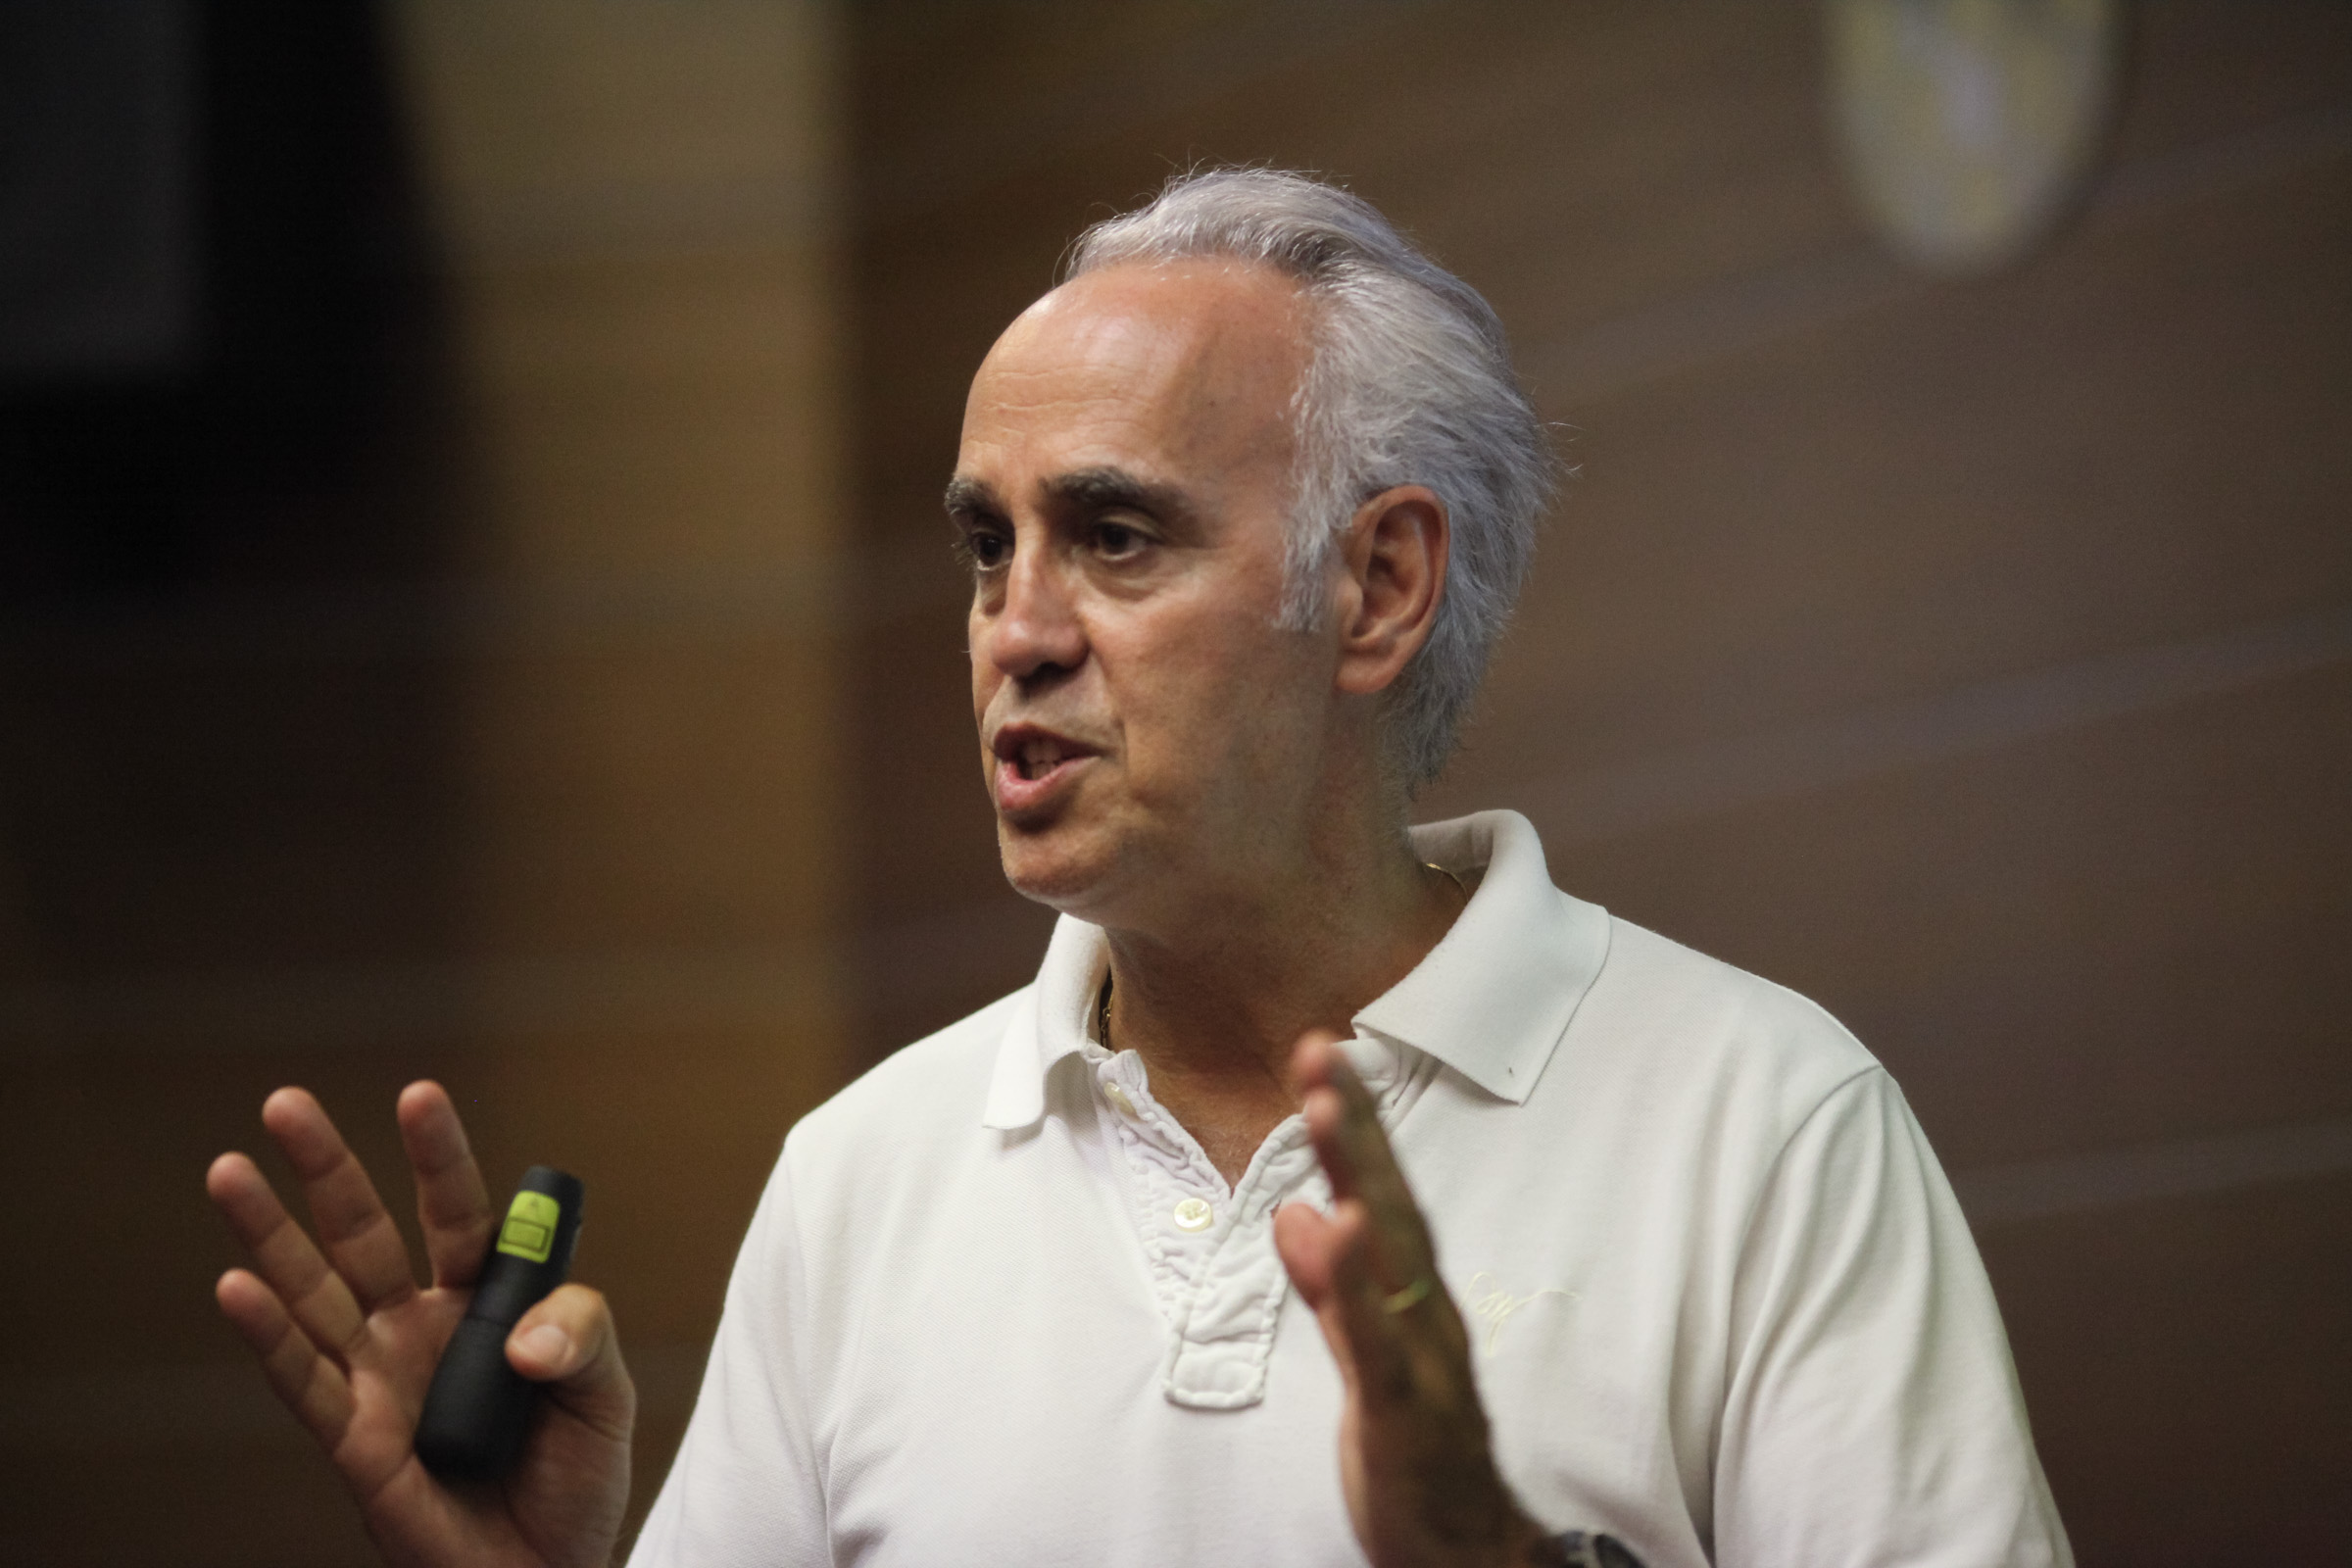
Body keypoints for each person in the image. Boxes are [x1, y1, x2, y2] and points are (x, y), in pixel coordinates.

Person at [207, 169, 2073, 1568]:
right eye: (986, 547)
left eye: (1113, 536)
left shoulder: (1763, 1125)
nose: (1014, 633)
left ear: (1378, 587)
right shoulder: (862, 1176)